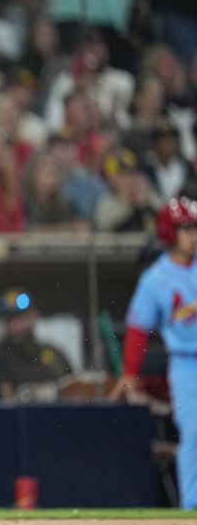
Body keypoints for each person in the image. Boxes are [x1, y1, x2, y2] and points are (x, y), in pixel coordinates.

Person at [111, 197, 197, 509]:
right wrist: (129, 374)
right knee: (194, 435)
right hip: (186, 363)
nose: (192, 235)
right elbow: (137, 329)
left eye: (194, 228)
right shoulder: (156, 279)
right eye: (185, 228)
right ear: (169, 232)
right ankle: (192, 509)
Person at [0, 288, 71, 402]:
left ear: (35, 316)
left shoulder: (53, 354)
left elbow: (73, 391)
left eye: (21, 318)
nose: (14, 324)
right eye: (9, 319)